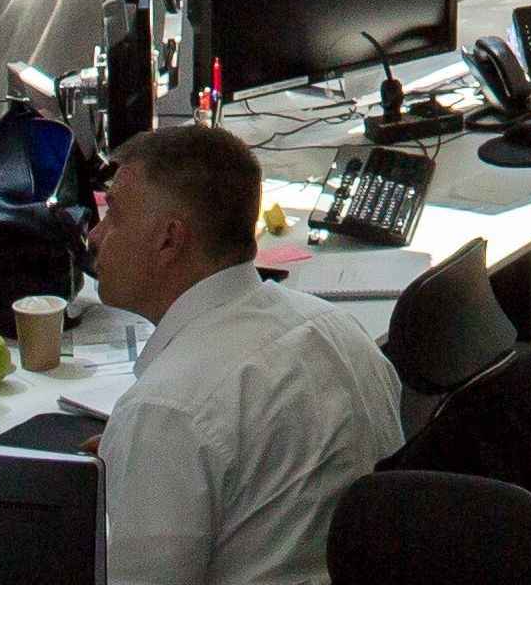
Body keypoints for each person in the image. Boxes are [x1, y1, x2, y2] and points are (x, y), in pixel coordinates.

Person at [87, 118, 410, 586]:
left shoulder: (167, 410)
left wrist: (152, 447)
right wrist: (141, 458)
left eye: (113, 215)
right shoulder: (337, 329)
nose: (95, 235)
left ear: (169, 240)